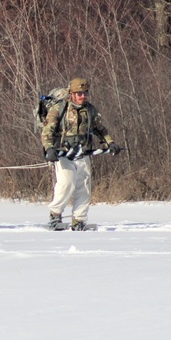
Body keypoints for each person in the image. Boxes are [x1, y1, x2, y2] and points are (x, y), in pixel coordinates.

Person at [40, 77, 120, 231]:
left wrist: (110, 143)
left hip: (83, 152)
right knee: (66, 183)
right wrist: (49, 148)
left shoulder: (90, 110)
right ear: (71, 94)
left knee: (84, 186)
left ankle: (79, 220)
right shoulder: (59, 108)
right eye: (79, 93)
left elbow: (100, 129)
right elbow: (47, 130)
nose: (83, 96)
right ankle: (55, 216)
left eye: (85, 93)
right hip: (63, 153)